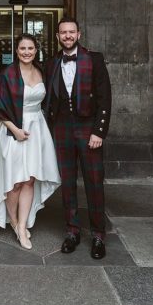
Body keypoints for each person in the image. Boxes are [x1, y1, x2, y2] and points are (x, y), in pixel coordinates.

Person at [0, 33, 60, 250]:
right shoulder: (6, 75)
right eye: (22, 48)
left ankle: (23, 223)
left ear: (36, 50)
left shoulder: (41, 71)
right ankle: (16, 224)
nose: (27, 52)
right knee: (15, 182)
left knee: (30, 180)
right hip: (13, 129)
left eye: (31, 48)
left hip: (37, 128)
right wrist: (15, 130)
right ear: (16, 51)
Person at [44, 17, 112, 259]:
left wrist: (98, 131)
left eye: (71, 32)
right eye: (63, 33)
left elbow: (105, 98)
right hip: (62, 127)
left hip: (87, 127)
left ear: (79, 34)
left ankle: (98, 235)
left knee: (94, 181)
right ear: (58, 36)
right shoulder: (52, 63)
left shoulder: (94, 59)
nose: (67, 36)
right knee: (68, 183)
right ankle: (72, 231)